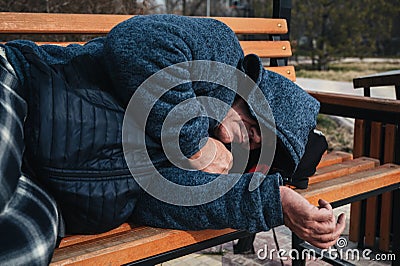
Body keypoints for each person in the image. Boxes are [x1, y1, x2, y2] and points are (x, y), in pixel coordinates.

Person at [0, 14, 345, 265]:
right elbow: (134, 44)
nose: (248, 140)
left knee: (22, 251)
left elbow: (156, 204)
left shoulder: (202, 171)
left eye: (256, 146)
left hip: (48, 194)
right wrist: (194, 138)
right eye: (257, 126)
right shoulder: (220, 53)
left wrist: (279, 202)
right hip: (24, 92)